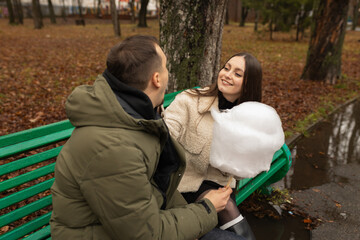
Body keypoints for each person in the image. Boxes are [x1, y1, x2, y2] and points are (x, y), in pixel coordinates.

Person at [49, 35, 242, 240]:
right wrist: (207, 209)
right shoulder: (113, 148)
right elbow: (145, 234)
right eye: (166, 66)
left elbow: (158, 190)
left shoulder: (135, 117)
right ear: (156, 79)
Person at [164, 53, 263, 239]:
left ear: (249, 84)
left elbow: (241, 173)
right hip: (184, 185)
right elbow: (166, 135)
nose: (227, 74)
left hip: (220, 186)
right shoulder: (190, 101)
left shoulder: (249, 119)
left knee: (226, 206)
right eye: (226, 68)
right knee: (227, 208)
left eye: (237, 74)